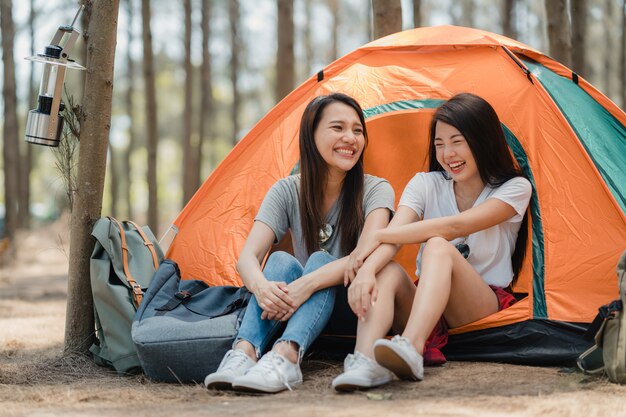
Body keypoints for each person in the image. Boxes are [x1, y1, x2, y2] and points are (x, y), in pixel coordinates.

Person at [332, 92, 532, 391]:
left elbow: (455, 226)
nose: (448, 154)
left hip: (478, 306)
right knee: (387, 270)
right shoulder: (425, 184)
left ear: (483, 139)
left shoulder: (514, 188)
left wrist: (375, 235)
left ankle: (411, 348)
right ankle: (364, 360)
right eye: (440, 144)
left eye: (457, 141)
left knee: (438, 245)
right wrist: (367, 270)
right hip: (427, 303)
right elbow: (395, 238)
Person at [204, 93, 395, 394]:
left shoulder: (376, 190)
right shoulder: (286, 190)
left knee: (320, 260)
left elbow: (368, 252)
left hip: (354, 309)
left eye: (358, 130)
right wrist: (262, 288)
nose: (350, 138)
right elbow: (247, 258)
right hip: (299, 308)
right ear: (311, 134)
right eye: (338, 128)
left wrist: (310, 283)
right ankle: (244, 352)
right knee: (279, 262)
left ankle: (286, 357)